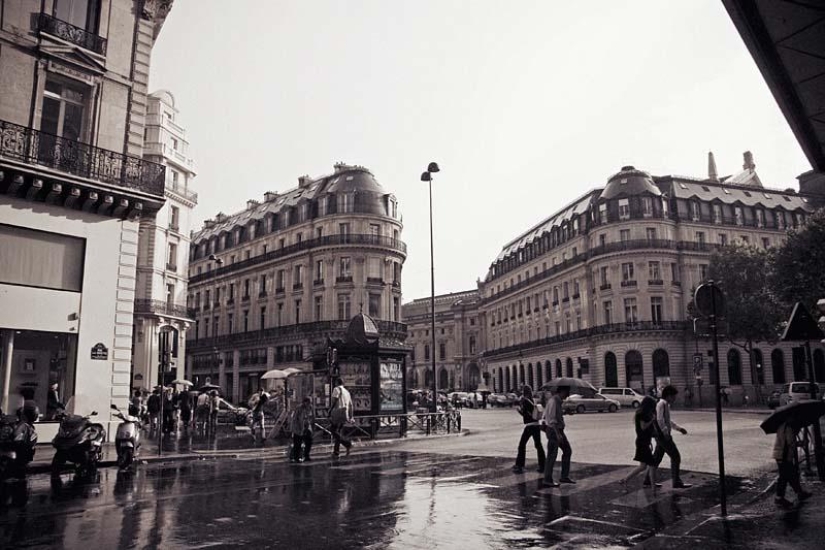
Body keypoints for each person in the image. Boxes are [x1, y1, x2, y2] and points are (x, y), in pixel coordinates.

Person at [652, 385, 692, 489]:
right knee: (675, 457)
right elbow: (660, 420)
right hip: (663, 436)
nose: (675, 399)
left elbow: (667, 421)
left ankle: (648, 479)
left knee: (656, 458)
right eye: (674, 396)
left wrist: (678, 428)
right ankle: (676, 481)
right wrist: (666, 433)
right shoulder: (662, 404)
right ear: (668, 396)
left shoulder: (664, 404)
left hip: (661, 436)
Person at [620, 396, 658, 488]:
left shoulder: (642, 413)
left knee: (643, 466)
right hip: (642, 443)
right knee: (651, 464)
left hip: (643, 442)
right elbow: (643, 427)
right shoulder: (641, 414)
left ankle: (625, 480)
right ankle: (653, 488)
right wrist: (652, 420)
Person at [773, 420, 812, 508]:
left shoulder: (782, 425)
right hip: (784, 455)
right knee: (784, 476)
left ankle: (799, 493)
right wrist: (802, 443)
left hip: (781, 454)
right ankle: (779, 497)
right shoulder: (788, 427)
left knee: (792, 474)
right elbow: (791, 442)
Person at [541, 385, 574, 487]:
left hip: (557, 430)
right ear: (562, 391)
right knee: (552, 455)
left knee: (567, 451)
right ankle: (547, 479)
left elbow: (555, 415)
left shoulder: (557, 401)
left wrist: (565, 412)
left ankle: (564, 476)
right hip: (554, 431)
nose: (568, 395)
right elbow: (552, 420)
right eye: (567, 392)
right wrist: (558, 434)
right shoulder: (554, 401)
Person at [512, 385, 546, 474]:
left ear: (524, 391)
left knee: (522, 445)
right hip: (536, 425)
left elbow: (525, 414)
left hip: (530, 426)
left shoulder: (525, 400)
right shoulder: (532, 400)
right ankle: (543, 465)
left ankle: (520, 465)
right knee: (538, 445)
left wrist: (519, 410)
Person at [329, 378, 353, 458]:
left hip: (337, 413)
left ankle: (347, 443)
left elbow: (334, 400)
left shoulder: (336, 389)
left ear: (337, 382)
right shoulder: (347, 392)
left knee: (333, 431)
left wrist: (330, 410)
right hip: (344, 414)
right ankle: (336, 452)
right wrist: (351, 416)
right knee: (338, 432)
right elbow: (351, 405)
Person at [290, 396, 315, 462]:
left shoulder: (311, 408)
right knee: (297, 443)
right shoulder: (299, 408)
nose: (309, 404)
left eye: (310, 402)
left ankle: (306, 455)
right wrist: (296, 428)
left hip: (307, 427)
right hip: (298, 428)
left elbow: (312, 417)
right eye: (307, 402)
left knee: (309, 441)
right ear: (304, 402)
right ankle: (296, 457)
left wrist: (311, 425)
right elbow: (295, 419)